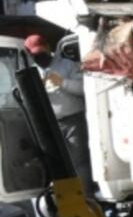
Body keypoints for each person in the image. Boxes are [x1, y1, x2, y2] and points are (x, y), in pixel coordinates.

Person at [24, 34, 92, 192]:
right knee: (57, 164)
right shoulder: (32, 72)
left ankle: (87, 197)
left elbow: (84, 89)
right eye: (35, 55)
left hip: (74, 120)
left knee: (79, 161)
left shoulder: (67, 65)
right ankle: (66, 199)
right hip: (50, 124)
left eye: (41, 52)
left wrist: (62, 83)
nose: (40, 57)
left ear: (48, 48)